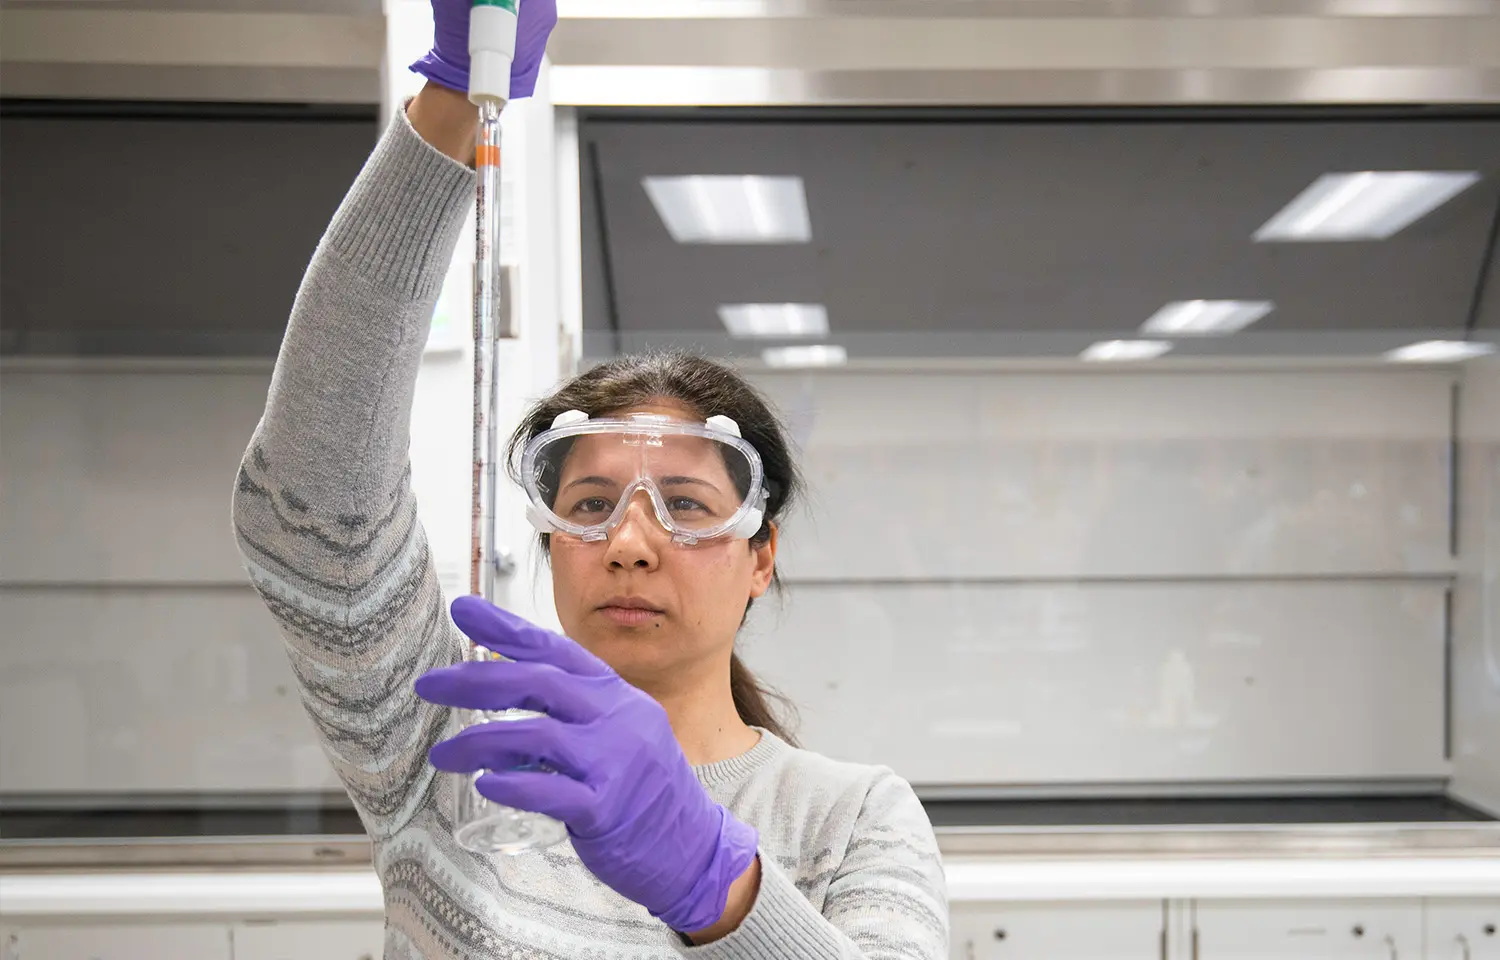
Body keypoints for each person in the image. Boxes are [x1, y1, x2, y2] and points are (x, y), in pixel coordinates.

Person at [231, 1, 948, 955]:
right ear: (550, 541)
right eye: (589, 505)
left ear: (761, 554)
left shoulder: (850, 817)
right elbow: (310, 505)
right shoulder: (456, 753)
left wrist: (715, 882)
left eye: (687, 506)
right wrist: (450, 98)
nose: (630, 543)